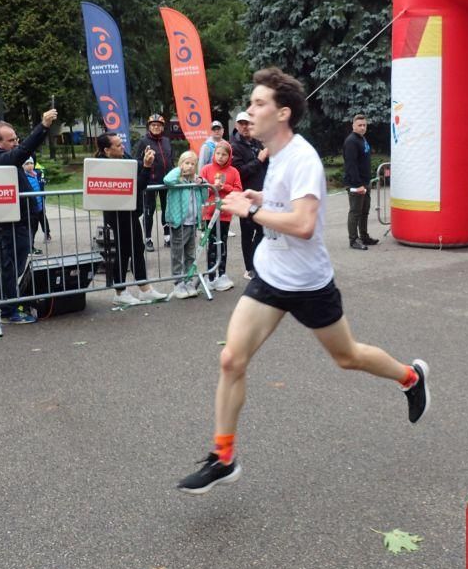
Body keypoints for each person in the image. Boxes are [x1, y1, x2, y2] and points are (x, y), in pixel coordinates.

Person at [177, 67, 429, 495]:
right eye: (251, 103)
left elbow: (305, 224)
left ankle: (411, 377)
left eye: (259, 103)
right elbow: (285, 202)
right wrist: (261, 198)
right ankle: (223, 458)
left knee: (347, 356)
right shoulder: (275, 155)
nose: (250, 111)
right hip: (271, 276)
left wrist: (251, 211)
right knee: (232, 360)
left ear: (283, 113)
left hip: (308, 283)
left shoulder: (303, 158)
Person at [0, 109, 58, 325]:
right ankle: (7, 311)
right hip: (8, 223)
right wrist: (43, 126)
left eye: (16, 139)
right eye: (11, 140)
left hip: (23, 218)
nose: (16, 143)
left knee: (17, 265)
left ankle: (10, 303)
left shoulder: (4, 154)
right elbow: (21, 153)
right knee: (10, 267)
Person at [95, 133, 168, 307]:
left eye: (122, 143)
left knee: (137, 249)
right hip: (117, 214)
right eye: (118, 145)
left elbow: (137, 169)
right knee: (123, 252)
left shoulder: (123, 157)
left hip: (130, 212)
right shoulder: (105, 166)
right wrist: (147, 167)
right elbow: (138, 185)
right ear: (107, 150)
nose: (122, 147)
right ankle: (120, 292)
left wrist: (145, 161)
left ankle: (144, 289)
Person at [164, 150, 209, 300]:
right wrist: (179, 169)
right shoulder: (177, 179)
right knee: (177, 254)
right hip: (179, 223)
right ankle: (178, 283)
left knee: (190, 254)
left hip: (192, 222)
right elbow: (167, 180)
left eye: (192, 164)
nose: (190, 166)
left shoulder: (194, 181)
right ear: (181, 164)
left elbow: (205, 197)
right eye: (186, 163)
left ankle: (188, 280)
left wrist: (201, 182)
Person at [199, 140, 242, 292]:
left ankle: (222, 274)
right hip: (209, 214)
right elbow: (200, 190)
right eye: (218, 153)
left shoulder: (233, 171)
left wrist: (225, 187)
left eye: (224, 154)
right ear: (214, 154)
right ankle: (211, 277)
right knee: (211, 245)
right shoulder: (206, 169)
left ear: (229, 156)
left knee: (222, 244)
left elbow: (238, 190)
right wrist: (212, 188)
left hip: (225, 214)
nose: (220, 157)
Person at [230, 111, 268, 280]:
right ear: (237, 126)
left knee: (263, 231)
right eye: (242, 123)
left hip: (262, 194)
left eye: (248, 123)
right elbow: (239, 172)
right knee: (248, 233)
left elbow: (265, 166)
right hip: (245, 196)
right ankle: (249, 268)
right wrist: (259, 160)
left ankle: (259, 264)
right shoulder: (234, 146)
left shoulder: (257, 142)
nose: (245, 126)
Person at [134, 114, 172, 251]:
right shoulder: (143, 141)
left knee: (167, 210)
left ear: (162, 127)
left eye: (159, 125)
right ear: (149, 127)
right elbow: (137, 161)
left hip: (166, 182)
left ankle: (167, 236)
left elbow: (170, 160)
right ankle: (148, 239)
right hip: (150, 183)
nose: (156, 127)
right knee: (149, 210)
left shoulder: (166, 141)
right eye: (153, 125)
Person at [343, 113, 378, 250]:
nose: (363, 127)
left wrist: (366, 183)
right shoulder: (351, 141)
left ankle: (364, 237)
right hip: (356, 184)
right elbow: (350, 165)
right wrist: (358, 185)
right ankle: (353, 240)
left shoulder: (362, 138)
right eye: (360, 125)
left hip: (365, 182)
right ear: (353, 126)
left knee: (364, 211)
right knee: (355, 212)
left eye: (364, 125)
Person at [22, 158, 51, 250]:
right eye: (27, 164)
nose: (30, 165)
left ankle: (47, 233)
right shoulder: (23, 177)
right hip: (30, 208)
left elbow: (41, 187)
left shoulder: (36, 175)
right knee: (31, 228)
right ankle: (30, 247)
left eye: (31, 163)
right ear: (23, 166)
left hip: (39, 205)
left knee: (38, 224)